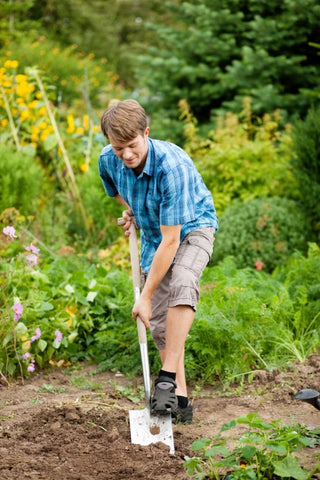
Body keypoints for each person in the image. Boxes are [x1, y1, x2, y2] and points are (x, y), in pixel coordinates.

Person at [98, 99, 218, 424]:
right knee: (161, 326)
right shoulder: (108, 161)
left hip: (192, 228)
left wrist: (146, 297)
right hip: (155, 233)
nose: (126, 155)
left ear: (146, 133)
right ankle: (180, 401)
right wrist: (135, 211)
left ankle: (165, 379)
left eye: (132, 145)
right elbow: (119, 192)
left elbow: (172, 240)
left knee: (182, 282)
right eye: (118, 147)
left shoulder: (171, 165)